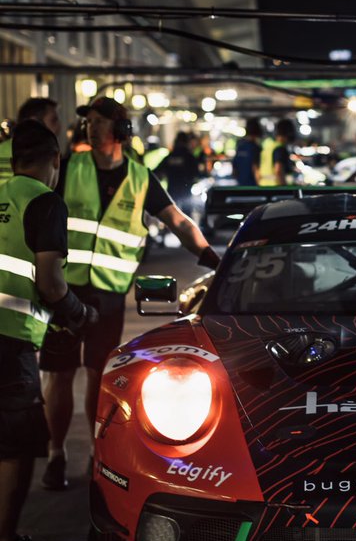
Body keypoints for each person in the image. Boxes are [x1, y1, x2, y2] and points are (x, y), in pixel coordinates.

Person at [38, 96, 221, 490]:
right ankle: (56, 454)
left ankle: (92, 454)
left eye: (100, 122)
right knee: (58, 374)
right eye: (88, 122)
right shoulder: (70, 167)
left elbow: (178, 221)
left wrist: (211, 257)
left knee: (96, 375)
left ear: (120, 130)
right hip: (65, 289)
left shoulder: (140, 178)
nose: (91, 128)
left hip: (107, 294)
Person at [0, 121, 98, 541]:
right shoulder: (43, 201)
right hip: (9, 338)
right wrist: (78, 314)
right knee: (15, 445)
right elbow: (50, 282)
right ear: (55, 160)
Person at [0, 96, 60, 179]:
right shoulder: (41, 154)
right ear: (33, 122)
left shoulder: (2, 149)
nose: (58, 128)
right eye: (53, 120)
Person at [154, 131, 205, 215]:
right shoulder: (189, 156)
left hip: (172, 192)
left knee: (171, 216)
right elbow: (197, 174)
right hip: (186, 192)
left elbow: (158, 172)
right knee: (186, 216)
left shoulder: (170, 156)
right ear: (186, 142)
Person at [232, 117, 263, 186]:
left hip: (240, 184)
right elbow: (256, 168)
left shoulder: (239, 145)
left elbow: (234, 169)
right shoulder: (255, 147)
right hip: (253, 185)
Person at [272, 118, 296, 186]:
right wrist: (285, 189)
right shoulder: (280, 148)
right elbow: (278, 171)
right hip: (277, 189)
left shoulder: (268, 145)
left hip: (265, 188)